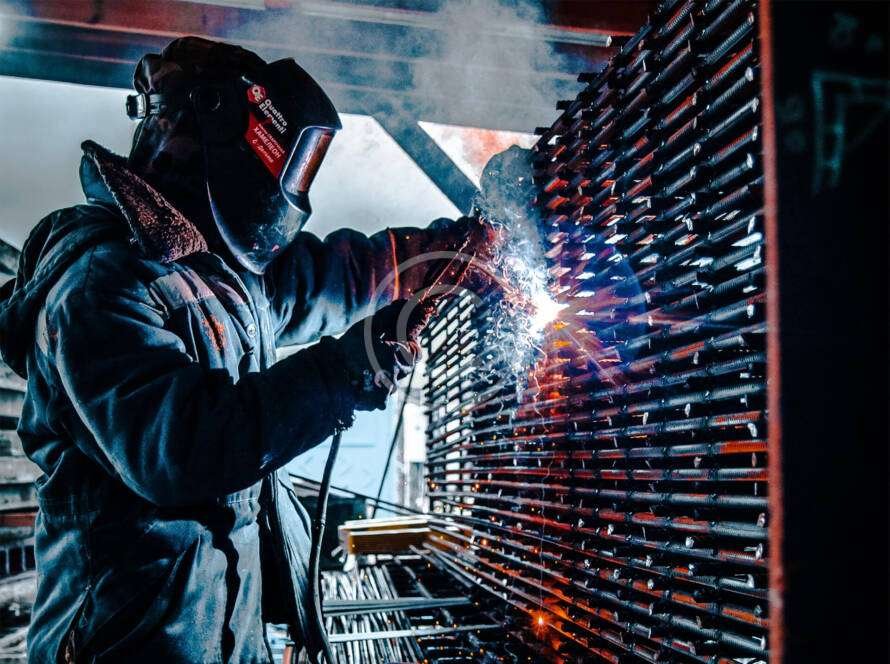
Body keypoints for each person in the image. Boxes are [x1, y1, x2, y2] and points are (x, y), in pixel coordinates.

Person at [0, 37, 494, 663]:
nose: (286, 184)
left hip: (220, 635)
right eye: (287, 161)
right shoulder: (99, 283)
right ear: (220, 134)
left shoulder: (220, 279)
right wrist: (348, 369)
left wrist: (452, 251)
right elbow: (183, 449)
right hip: (129, 646)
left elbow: (331, 279)